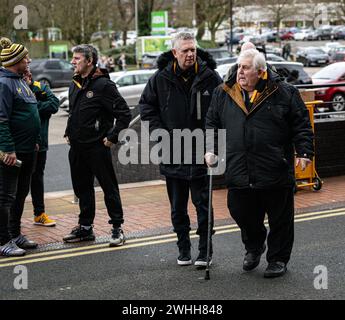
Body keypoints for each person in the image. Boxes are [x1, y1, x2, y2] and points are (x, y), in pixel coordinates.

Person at [205, 48, 314, 278]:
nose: (239, 73)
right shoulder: (223, 92)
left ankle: (277, 259)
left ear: (261, 72)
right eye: (238, 67)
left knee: (280, 218)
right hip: (239, 167)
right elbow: (212, 124)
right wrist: (211, 149)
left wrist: (304, 152)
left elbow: (301, 124)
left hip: (274, 166)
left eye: (245, 68)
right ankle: (254, 246)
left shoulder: (284, 92)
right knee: (239, 210)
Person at [139, 32, 223, 267]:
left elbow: (221, 110)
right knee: (178, 208)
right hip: (172, 151)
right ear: (174, 53)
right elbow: (146, 107)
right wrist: (160, 135)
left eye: (193, 49)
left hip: (202, 152)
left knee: (203, 206)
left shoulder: (210, 77)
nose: (190, 54)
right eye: (185, 50)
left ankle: (205, 252)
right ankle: (183, 248)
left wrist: (213, 144)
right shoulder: (160, 79)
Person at [63, 44, 131, 247]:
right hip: (77, 148)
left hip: (97, 148)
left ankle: (117, 228)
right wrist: (68, 131)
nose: (72, 62)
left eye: (77, 59)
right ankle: (85, 228)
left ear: (89, 61)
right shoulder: (75, 83)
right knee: (82, 189)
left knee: (109, 188)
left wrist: (112, 137)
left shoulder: (104, 86)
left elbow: (124, 114)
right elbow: (74, 112)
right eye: (73, 58)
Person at [0, 37, 41, 257]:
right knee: (5, 196)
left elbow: (27, 113)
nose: (29, 60)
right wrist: (7, 149)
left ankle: (15, 234)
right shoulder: (4, 83)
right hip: (11, 153)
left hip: (27, 149)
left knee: (20, 194)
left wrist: (33, 140)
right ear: (16, 61)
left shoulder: (19, 80)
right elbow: (1, 119)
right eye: (26, 58)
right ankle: (3, 240)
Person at [22, 69, 59, 227]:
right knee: (18, 183)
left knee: (37, 179)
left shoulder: (40, 88)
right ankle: (13, 216)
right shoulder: (12, 88)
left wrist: (33, 105)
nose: (26, 76)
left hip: (40, 144)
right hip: (21, 145)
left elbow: (54, 104)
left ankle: (39, 214)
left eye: (27, 74)